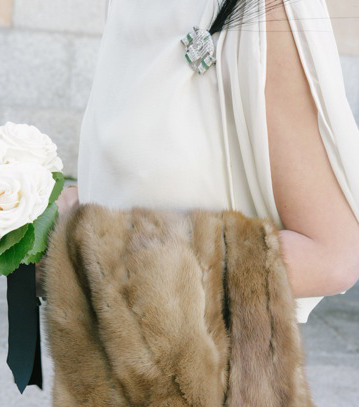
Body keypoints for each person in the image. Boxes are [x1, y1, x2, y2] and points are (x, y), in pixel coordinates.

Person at [40, 0, 359, 323]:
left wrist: (114, 265)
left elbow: (333, 256)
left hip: (195, 351)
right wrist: (62, 211)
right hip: (100, 347)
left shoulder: (266, 12)